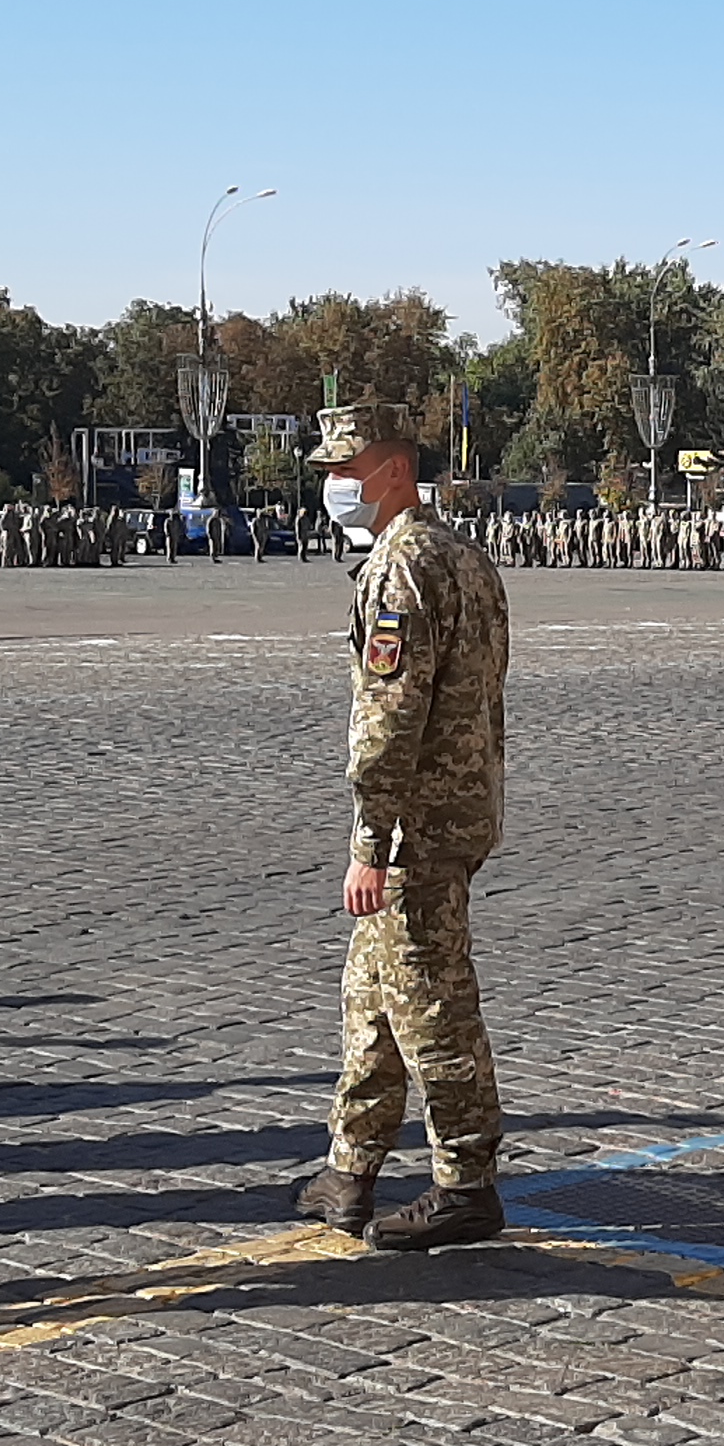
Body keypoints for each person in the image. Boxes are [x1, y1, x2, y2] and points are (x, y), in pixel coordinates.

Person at [288, 403, 514, 1240]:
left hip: (416, 826)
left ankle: (466, 1181)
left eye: (345, 471)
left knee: (430, 1002)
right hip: (461, 809)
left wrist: (370, 843)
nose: (334, 487)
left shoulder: (404, 567)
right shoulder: (466, 557)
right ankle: (351, 1167)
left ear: (391, 471)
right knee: (371, 998)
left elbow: (388, 721)